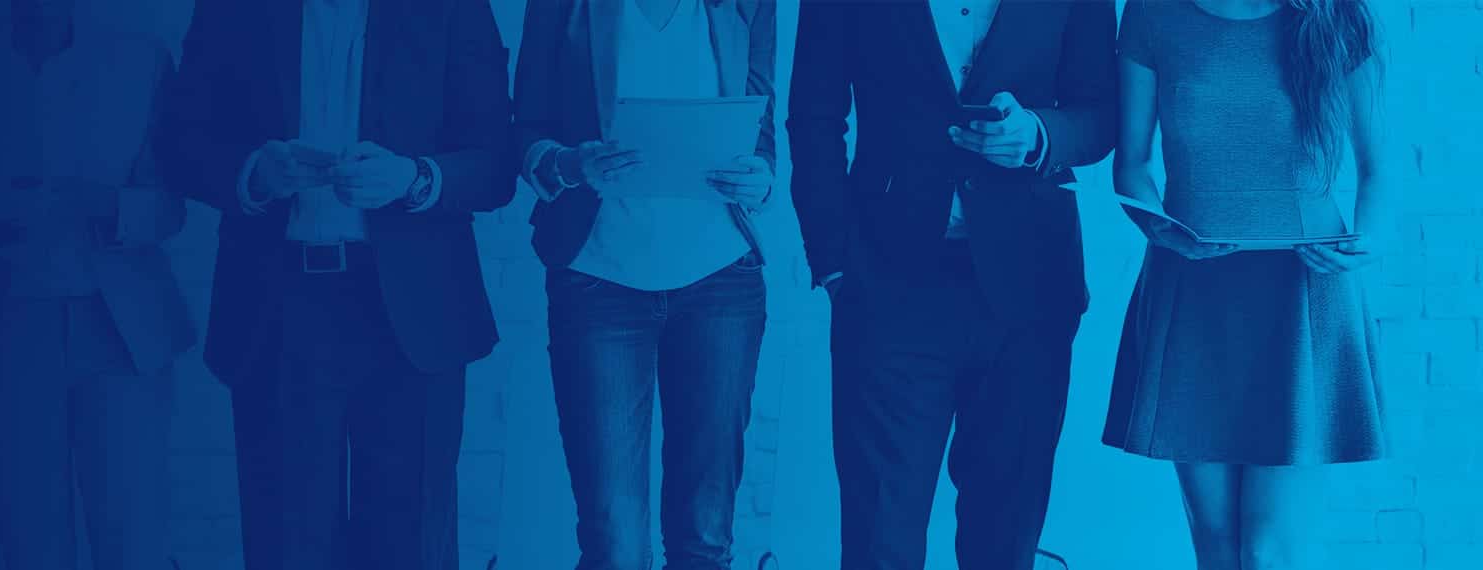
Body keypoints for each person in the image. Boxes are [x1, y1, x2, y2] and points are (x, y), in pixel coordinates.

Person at [155, 0, 512, 568]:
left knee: (409, 545)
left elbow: (496, 161)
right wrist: (253, 172)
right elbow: (181, 141)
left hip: (417, 315)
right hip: (278, 308)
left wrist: (414, 179)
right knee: (287, 543)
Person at [788, 1, 1117, 568]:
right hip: (888, 283)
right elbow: (815, 115)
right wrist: (836, 263)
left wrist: (1039, 134)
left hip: (1031, 291)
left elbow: (1101, 112)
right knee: (878, 541)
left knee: (1004, 541)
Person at [1103, 1, 1391, 568]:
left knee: (1268, 552)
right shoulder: (1151, 13)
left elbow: (1377, 163)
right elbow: (1131, 165)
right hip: (1193, 288)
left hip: (1304, 290)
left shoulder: (1339, 14)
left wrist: (1368, 239)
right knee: (1215, 542)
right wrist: (1162, 230)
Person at [0, 0, 198, 567]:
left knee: (135, 540)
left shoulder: (142, 62)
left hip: (122, 334)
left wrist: (109, 207)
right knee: (30, 543)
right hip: (3, 327)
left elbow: (173, 208)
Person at [513, 1, 776, 568]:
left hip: (721, 285)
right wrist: (569, 163)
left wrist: (761, 175)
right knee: (614, 544)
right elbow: (526, 128)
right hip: (599, 282)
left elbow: (761, 126)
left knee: (705, 539)